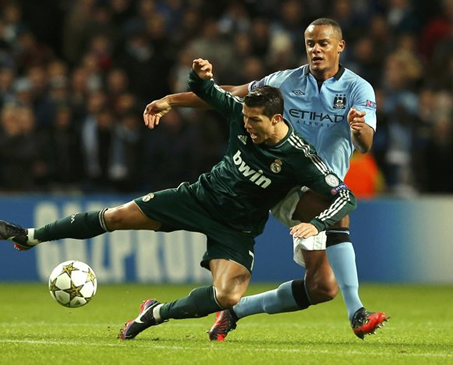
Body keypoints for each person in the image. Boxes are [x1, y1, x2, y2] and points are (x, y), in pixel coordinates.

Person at [0, 57, 357, 340]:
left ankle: (154, 313)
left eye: (255, 122)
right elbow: (207, 91)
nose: (247, 126)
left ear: (276, 119)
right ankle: (31, 236)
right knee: (117, 216)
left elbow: (345, 197)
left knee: (228, 296)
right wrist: (198, 75)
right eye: (245, 118)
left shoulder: (300, 156)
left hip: (237, 227)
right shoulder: (239, 113)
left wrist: (318, 222)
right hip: (198, 197)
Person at [142, 18, 388, 340]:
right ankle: (357, 312)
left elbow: (365, 144)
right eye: (310, 43)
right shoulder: (285, 82)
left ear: (340, 47)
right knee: (336, 208)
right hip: (284, 183)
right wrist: (173, 100)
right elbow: (229, 94)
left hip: (321, 186)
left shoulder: (358, 89)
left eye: (323, 43)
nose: (315, 50)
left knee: (322, 287)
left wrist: (358, 128)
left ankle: (234, 312)